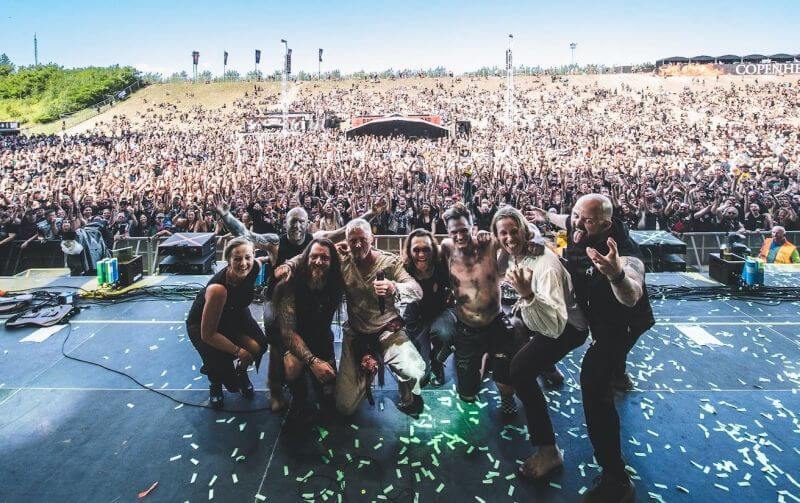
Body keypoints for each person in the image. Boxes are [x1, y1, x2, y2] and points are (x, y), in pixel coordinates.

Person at [214, 196, 383, 412]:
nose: (297, 225)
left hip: (307, 301)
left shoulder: (317, 238)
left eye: (301, 221)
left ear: (308, 223)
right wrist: (226, 215)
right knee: (277, 339)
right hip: (278, 300)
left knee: (319, 334)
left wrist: (372, 213)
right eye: (292, 221)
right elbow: (246, 235)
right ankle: (278, 387)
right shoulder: (275, 242)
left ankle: (317, 370)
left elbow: (345, 231)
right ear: (285, 223)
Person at [278, 219, 426, 417]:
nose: (357, 245)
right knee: (344, 407)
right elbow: (313, 253)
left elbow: (417, 291)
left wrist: (394, 287)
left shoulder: (389, 262)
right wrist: (289, 264)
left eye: (362, 239)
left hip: (388, 331)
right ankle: (369, 370)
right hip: (357, 335)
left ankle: (406, 390)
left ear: (372, 239)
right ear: (347, 241)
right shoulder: (342, 260)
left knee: (414, 372)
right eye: (352, 240)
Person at [559, 194, 654, 503]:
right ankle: (619, 373)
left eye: (586, 220)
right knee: (613, 365)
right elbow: (564, 220)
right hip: (601, 320)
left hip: (622, 325)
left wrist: (616, 274)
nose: (577, 223)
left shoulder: (625, 252)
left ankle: (617, 480)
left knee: (592, 380)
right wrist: (544, 216)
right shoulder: (580, 226)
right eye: (575, 215)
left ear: (605, 225)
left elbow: (632, 294)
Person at [491, 206, 589, 480]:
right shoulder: (519, 251)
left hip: (568, 327)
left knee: (521, 370)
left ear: (525, 231)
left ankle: (548, 451)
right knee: (515, 328)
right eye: (503, 233)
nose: (509, 238)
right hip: (545, 317)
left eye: (514, 231)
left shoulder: (545, 266)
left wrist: (527, 295)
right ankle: (548, 367)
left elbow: (554, 325)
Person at [439, 203, 521, 414]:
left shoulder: (489, 244)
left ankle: (506, 393)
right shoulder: (446, 248)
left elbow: (521, 236)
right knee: (467, 394)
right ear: (447, 232)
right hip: (467, 327)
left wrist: (536, 244)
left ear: (472, 227)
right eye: (454, 232)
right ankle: (482, 363)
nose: (459, 236)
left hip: (495, 322)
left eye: (464, 230)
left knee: (506, 379)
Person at [185, 237, 268, 410]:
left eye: (247, 257)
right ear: (228, 260)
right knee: (223, 369)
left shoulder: (255, 266)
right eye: (237, 259)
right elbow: (208, 335)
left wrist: (286, 263)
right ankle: (215, 382)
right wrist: (238, 351)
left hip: (234, 311)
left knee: (258, 345)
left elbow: (268, 257)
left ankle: (241, 372)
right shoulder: (218, 289)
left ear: (253, 256)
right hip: (205, 325)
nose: (243, 263)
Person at [273, 238, 345, 423]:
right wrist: (313, 361)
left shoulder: (336, 280)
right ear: (306, 258)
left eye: (324, 258)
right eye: (314, 257)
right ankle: (297, 394)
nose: (318, 262)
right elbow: (288, 333)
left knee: (332, 394)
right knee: (293, 367)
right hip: (294, 337)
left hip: (321, 337)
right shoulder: (290, 283)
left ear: (332, 261)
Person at [401, 228, 457, 388]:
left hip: (442, 310)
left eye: (426, 249)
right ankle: (425, 359)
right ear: (409, 251)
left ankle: (437, 361)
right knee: (420, 377)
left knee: (444, 334)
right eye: (416, 250)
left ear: (433, 249)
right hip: (416, 315)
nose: (421, 254)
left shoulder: (442, 263)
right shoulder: (405, 267)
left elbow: (459, 246)